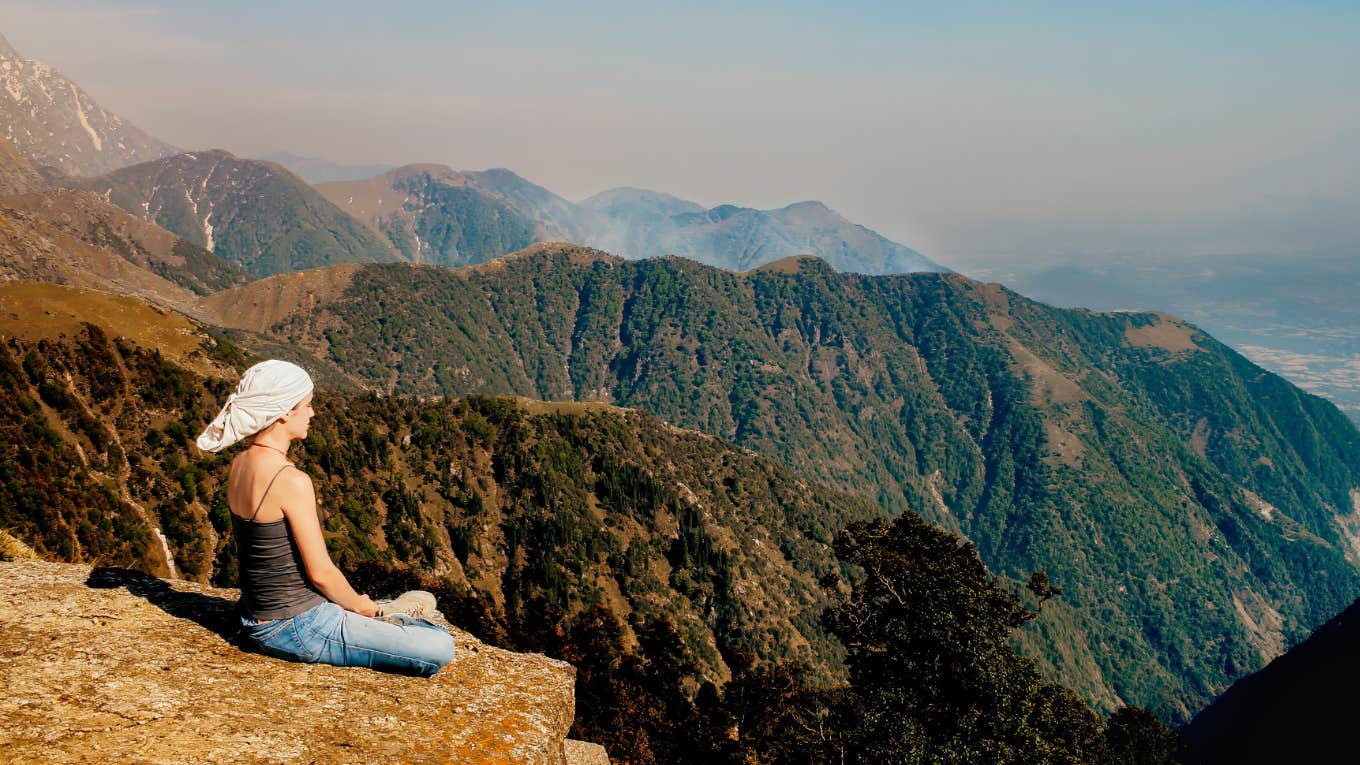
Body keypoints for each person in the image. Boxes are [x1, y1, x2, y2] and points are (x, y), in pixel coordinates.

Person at [196, 359, 455, 677]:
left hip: (254, 616)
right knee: (440, 646)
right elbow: (321, 573)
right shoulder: (290, 481)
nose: (313, 413)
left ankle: (387, 612)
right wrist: (363, 608)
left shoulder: (240, 464)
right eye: (306, 405)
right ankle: (385, 613)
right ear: (283, 411)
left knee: (424, 598)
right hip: (298, 626)